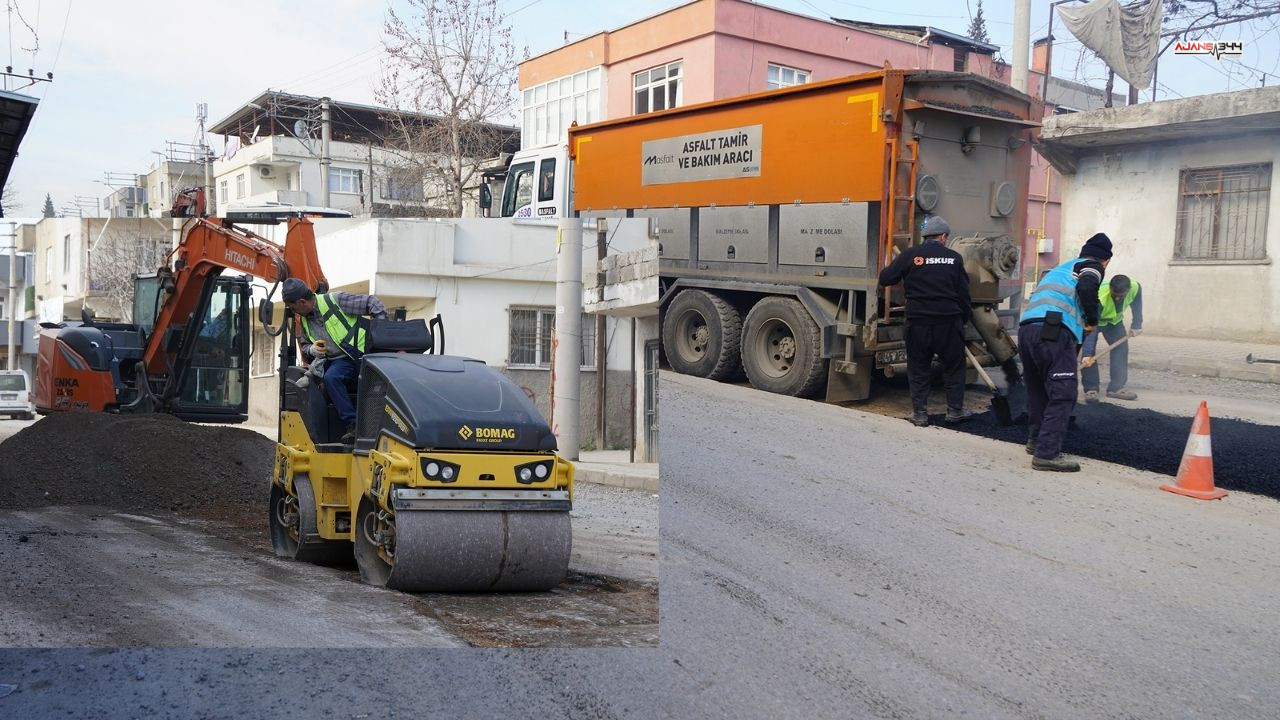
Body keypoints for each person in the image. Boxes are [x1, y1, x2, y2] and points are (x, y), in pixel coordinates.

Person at [1018, 232, 1112, 472]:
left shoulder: (1063, 268)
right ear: (1106, 261)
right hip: (1052, 330)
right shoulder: (1092, 266)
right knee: (1064, 392)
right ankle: (1047, 454)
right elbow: (1088, 287)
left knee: (1038, 389)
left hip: (1027, 329)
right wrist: (1092, 320)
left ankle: (1036, 440)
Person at [878, 215, 974, 427]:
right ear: (943, 236)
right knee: (953, 367)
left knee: (918, 367)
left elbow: (886, 278)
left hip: (918, 321)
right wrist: (963, 320)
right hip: (948, 322)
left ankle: (920, 414)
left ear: (926, 236)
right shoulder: (954, 258)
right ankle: (955, 411)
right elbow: (964, 295)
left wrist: (904, 270)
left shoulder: (911, 255)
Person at [281, 278, 388, 443]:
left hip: (355, 356)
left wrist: (381, 334)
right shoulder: (304, 319)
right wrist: (311, 349)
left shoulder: (336, 301)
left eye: (294, 308)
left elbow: (373, 303)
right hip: (332, 360)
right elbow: (304, 345)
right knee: (311, 383)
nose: (294, 312)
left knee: (332, 378)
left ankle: (352, 424)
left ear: (302, 302)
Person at [1081, 274, 1143, 403]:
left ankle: (1116, 388)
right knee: (1089, 354)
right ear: (1110, 288)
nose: (1117, 297)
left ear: (1128, 289)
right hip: (1094, 321)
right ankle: (1091, 389)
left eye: (1121, 295)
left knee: (1121, 349)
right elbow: (1091, 326)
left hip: (1114, 321)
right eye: (1115, 294)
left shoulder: (1135, 287)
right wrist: (1087, 354)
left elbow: (1137, 306)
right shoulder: (1100, 296)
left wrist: (1136, 325)